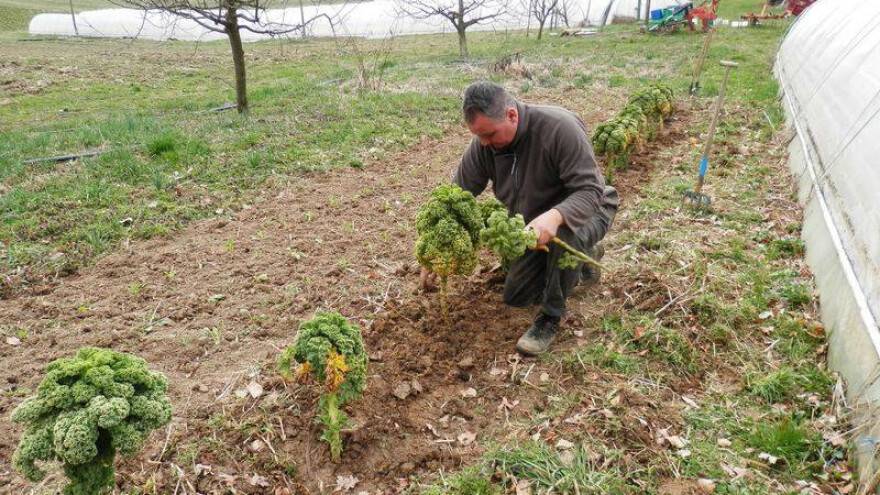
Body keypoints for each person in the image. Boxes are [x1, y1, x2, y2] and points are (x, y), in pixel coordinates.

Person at [422, 81, 619, 356]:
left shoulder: (559, 128)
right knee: (517, 296)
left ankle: (550, 318)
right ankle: (585, 257)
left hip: (587, 210)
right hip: (532, 224)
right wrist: (434, 248)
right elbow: (456, 196)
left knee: (565, 236)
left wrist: (555, 216)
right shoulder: (484, 144)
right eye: (478, 136)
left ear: (512, 115)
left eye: (489, 134)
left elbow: (590, 190)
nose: (484, 143)